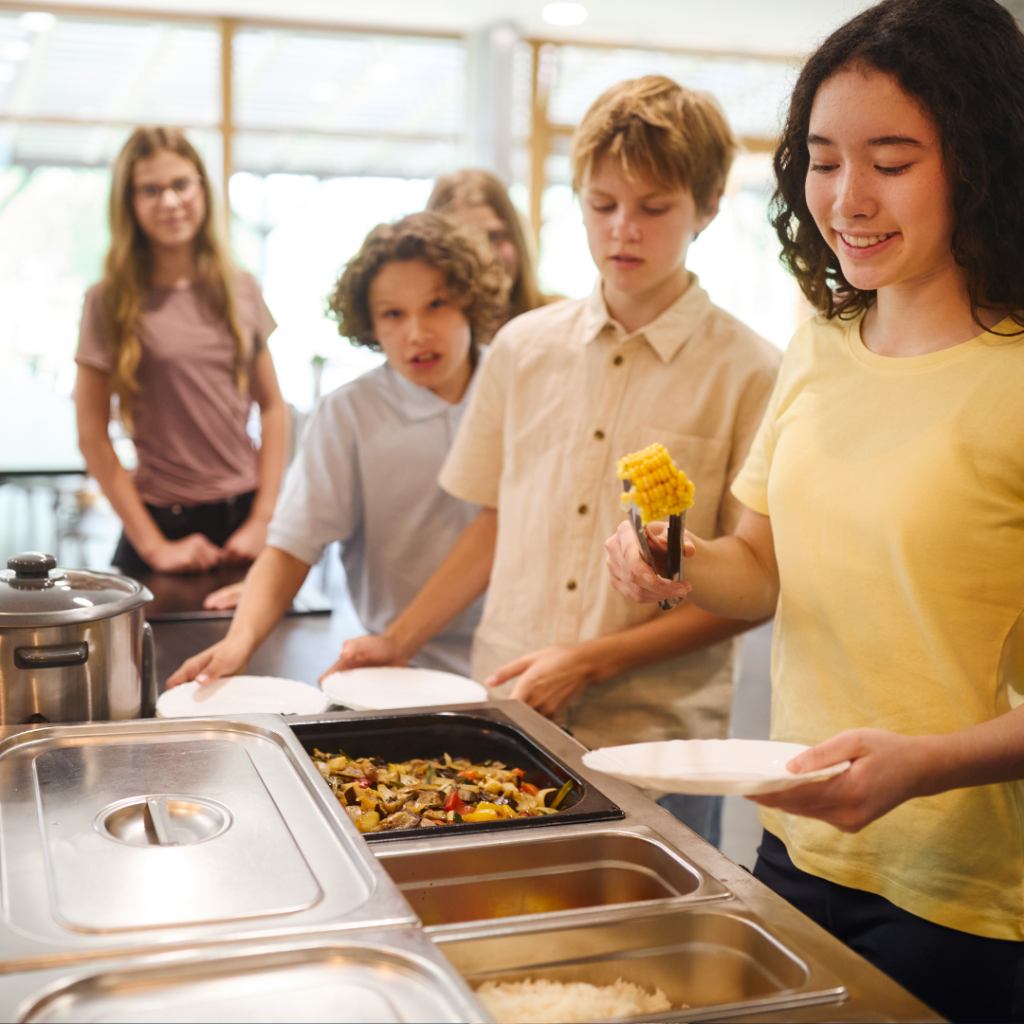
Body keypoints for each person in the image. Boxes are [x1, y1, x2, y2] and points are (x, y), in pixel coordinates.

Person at [604, 2, 1024, 1019]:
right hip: (797, 846)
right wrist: (678, 562)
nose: (846, 198)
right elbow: (759, 565)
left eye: (890, 159)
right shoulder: (821, 347)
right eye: (823, 160)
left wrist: (926, 764)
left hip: (969, 901)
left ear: (979, 161)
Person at [334, 77, 782, 847]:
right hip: (506, 716)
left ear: (707, 207)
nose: (622, 231)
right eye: (602, 204)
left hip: (659, 742)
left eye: (653, 208)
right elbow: (493, 523)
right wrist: (400, 639)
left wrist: (591, 660)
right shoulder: (522, 348)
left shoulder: (751, 371)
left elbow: (750, 591)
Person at [167, 212, 509, 687]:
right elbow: (291, 545)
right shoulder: (349, 412)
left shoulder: (518, 386)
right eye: (393, 314)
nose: (417, 332)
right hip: (396, 667)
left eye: (437, 304)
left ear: (471, 301)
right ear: (369, 323)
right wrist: (239, 643)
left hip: (519, 660)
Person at [75, 127, 287, 577]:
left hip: (245, 521)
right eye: (150, 190)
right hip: (160, 525)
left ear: (202, 190)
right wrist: (154, 548)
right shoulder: (107, 300)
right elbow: (92, 436)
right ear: (130, 204)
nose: (169, 202)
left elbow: (272, 408)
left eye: (180, 185)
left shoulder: (241, 288)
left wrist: (263, 519)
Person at [427, 168, 556, 324]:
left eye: (494, 237)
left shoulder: (559, 322)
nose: (484, 255)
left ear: (516, 238)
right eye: (465, 242)